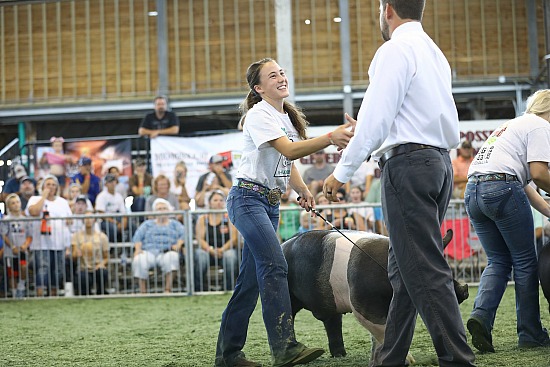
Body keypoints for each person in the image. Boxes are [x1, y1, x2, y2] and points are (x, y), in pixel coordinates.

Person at [322, 1, 476, 366]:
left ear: (386, 9)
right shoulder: (434, 52)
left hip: (407, 166)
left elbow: (375, 119)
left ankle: (457, 360)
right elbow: (397, 117)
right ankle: (389, 358)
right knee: (403, 269)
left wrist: (340, 172)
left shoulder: (394, 50)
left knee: (422, 268)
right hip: (436, 163)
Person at [215, 57, 353, 367]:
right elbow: (290, 151)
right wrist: (331, 137)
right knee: (275, 265)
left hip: (267, 203)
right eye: (272, 75)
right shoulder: (258, 115)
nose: (281, 78)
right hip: (248, 199)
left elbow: (285, 162)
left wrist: (302, 189)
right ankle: (285, 347)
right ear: (259, 88)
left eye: (282, 73)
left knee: (250, 282)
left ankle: (227, 355)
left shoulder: (283, 118)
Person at [464, 89, 550, 352]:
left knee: (499, 260)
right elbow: (538, 174)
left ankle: (481, 317)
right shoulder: (539, 126)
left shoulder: (511, 126)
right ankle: (531, 334)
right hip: (502, 189)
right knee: (525, 263)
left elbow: (525, 184)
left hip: (474, 192)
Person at [26, 175, 72, 297]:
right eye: (48, 184)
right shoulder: (35, 199)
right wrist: (44, 196)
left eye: (53, 185)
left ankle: (54, 295)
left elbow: (70, 220)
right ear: (43, 186)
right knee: (42, 268)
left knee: (58, 270)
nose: (51, 187)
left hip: (59, 242)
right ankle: (40, 295)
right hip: (41, 243)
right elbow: (33, 212)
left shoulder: (62, 202)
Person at [131, 198, 184, 293]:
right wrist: (137, 249)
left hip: (167, 251)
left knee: (172, 258)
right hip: (148, 251)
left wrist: (178, 244)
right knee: (139, 260)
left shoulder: (175, 224)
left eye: (164, 208)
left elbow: (184, 234)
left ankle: (168, 289)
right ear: (154, 212)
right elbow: (137, 237)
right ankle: (143, 292)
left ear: (168, 210)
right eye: (159, 209)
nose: (162, 211)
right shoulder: (147, 224)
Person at [195, 191, 239, 291]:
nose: (218, 202)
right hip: (207, 250)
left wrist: (221, 250)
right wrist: (211, 250)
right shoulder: (203, 218)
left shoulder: (229, 217)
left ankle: (228, 288)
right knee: (200, 255)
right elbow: (200, 239)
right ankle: (200, 288)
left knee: (231, 256)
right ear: (209, 203)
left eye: (220, 200)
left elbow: (234, 238)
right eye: (215, 200)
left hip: (225, 250)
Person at [71, 210, 110, 295]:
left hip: (97, 267)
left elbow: (106, 257)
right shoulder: (76, 236)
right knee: (83, 278)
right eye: (86, 218)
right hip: (83, 268)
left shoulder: (102, 237)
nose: (88, 220)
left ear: (94, 220)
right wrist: (76, 254)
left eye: (90, 218)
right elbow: (73, 256)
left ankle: (101, 291)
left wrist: (101, 264)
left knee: (103, 272)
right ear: (83, 220)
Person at [1, 194, 32, 298]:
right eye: (13, 203)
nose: (16, 205)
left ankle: (21, 287)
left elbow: (29, 235)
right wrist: (13, 246)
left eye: (17, 202)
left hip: (22, 249)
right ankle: (14, 293)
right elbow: (4, 235)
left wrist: (25, 245)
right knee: (12, 273)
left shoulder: (25, 219)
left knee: (23, 267)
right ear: (8, 206)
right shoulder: (6, 219)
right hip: (10, 251)